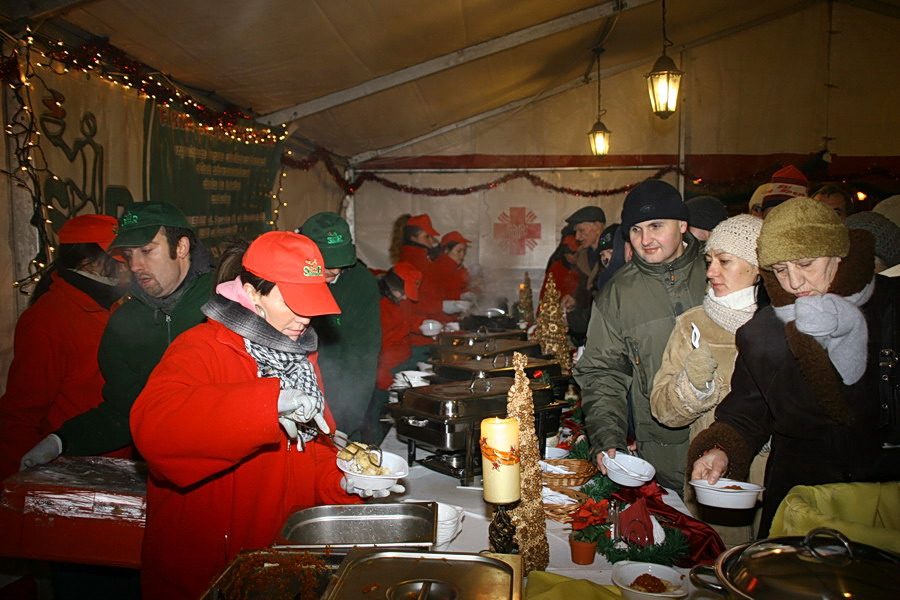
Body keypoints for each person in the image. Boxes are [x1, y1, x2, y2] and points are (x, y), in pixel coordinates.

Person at [130, 231, 398, 600]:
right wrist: (265, 405)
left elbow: (311, 452)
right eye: (293, 302)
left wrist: (343, 481)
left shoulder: (300, 359)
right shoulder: (200, 348)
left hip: (279, 564)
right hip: (211, 574)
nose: (305, 318)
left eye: (311, 303)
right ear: (252, 292)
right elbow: (154, 434)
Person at [689, 197, 900, 537]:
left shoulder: (891, 305)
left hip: (884, 504)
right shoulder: (763, 332)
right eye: (781, 270)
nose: (795, 282)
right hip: (799, 503)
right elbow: (746, 412)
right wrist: (720, 450)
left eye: (806, 263)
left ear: (838, 253)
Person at [19, 202, 213, 468]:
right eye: (129, 254)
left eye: (146, 251)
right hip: (160, 479)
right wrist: (62, 440)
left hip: (227, 474)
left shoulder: (226, 302)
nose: (135, 265)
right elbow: (124, 411)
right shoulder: (124, 321)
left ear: (180, 247)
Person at [573, 179, 707, 492]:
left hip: (728, 449)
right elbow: (602, 372)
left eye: (656, 226)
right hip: (662, 458)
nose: (645, 239)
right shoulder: (617, 293)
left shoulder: (717, 272)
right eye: (635, 230)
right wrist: (608, 439)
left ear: (682, 225)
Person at [650, 215, 767, 546]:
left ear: (758, 266)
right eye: (709, 260)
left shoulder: (785, 323)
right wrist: (694, 387)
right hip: (715, 482)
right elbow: (662, 409)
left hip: (781, 483)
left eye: (724, 261)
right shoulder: (694, 325)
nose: (712, 271)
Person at [1, 215, 126, 478]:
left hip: (119, 461)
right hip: (77, 469)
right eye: (117, 258)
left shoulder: (114, 307)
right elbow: (21, 412)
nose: (126, 266)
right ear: (87, 262)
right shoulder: (49, 319)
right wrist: (18, 486)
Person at [300, 212, 381, 441]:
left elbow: (365, 353)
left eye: (339, 262)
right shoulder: (289, 279)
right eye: (327, 262)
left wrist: (348, 418)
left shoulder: (362, 283)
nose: (334, 270)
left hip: (342, 384)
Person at [371, 262, 424, 444]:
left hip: (403, 363)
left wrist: (422, 325)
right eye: (401, 293)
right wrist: (381, 376)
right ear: (390, 285)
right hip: (383, 372)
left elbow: (406, 321)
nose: (403, 298)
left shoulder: (399, 301)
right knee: (378, 419)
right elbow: (372, 347)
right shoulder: (376, 305)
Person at [560, 205, 606, 346]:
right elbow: (584, 291)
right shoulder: (583, 257)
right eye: (576, 232)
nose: (578, 237)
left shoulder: (613, 257)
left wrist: (573, 320)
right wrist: (574, 300)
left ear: (597, 227)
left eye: (581, 230)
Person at [540, 230, 580, 303]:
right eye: (572, 253)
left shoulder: (584, 267)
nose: (575, 256)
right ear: (564, 253)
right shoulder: (556, 268)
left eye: (578, 253)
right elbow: (546, 295)